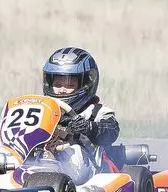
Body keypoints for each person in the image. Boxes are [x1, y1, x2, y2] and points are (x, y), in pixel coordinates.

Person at [42, 46, 119, 180]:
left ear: (86, 85)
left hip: (87, 170)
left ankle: (52, 175)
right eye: (58, 84)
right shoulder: (42, 110)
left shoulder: (96, 111)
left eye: (69, 86)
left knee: (74, 152)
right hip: (44, 159)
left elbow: (112, 131)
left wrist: (89, 127)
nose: (62, 90)